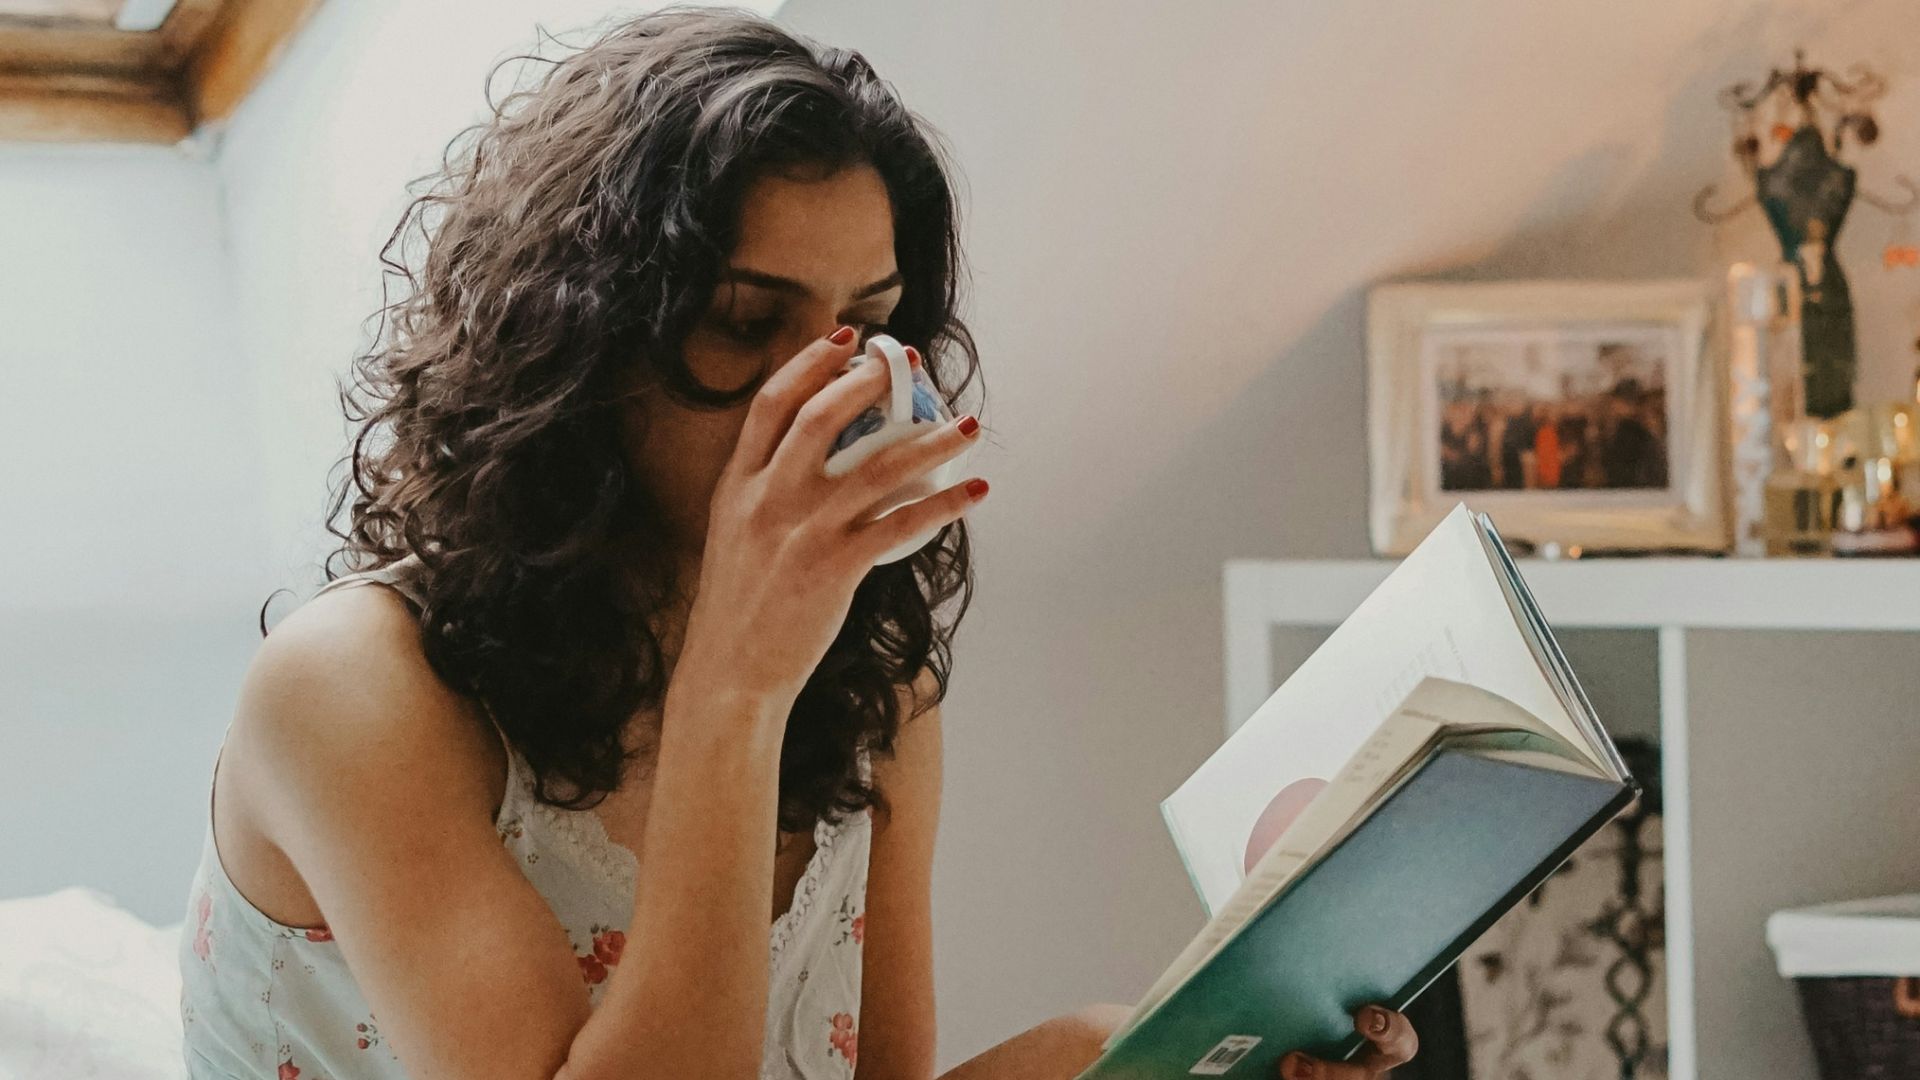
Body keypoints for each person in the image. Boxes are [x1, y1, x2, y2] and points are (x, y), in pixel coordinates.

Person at [175, 9, 1419, 1080]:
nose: (828, 390)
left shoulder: (876, 681)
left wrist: (1149, 1049)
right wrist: (736, 683)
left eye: (867, 326)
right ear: (580, 346)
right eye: (743, 321)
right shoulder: (354, 690)